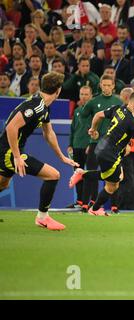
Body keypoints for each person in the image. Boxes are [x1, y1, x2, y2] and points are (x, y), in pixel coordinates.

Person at [0, 72, 78, 230]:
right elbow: (11, 127)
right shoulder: (36, 106)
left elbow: (48, 133)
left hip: (8, 150)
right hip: (9, 151)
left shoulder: (43, 106)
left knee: (3, 183)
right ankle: (43, 217)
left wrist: (62, 157)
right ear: (58, 91)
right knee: (53, 175)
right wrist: (16, 156)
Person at [69, 92, 134, 216]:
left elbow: (99, 115)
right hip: (109, 152)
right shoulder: (133, 121)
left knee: (116, 180)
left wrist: (93, 129)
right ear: (131, 102)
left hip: (102, 146)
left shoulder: (119, 108)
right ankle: (84, 180)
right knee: (112, 182)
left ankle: (94, 206)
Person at [79, 75, 123, 213]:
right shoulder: (93, 102)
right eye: (104, 85)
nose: (106, 88)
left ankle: (114, 205)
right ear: (100, 85)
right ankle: (86, 203)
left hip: (112, 144)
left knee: (114, 174)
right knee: (91, 170)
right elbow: (83, 116)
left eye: (109, 85)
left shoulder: (118, 101)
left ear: (114, 86)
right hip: (95, 142)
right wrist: (92, 129)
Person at [66, 86, 93, 208]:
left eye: (86, 94)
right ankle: (80, 201)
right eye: (82, 94)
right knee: (77, 175)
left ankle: (91, 201)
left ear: (91, 96)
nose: (84, 97)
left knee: (90, 174)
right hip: (76, 146)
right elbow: (73, 129)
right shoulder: (77, 111)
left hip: (89, 146)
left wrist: (91, 143)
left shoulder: (94, 112)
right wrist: (70, 144)